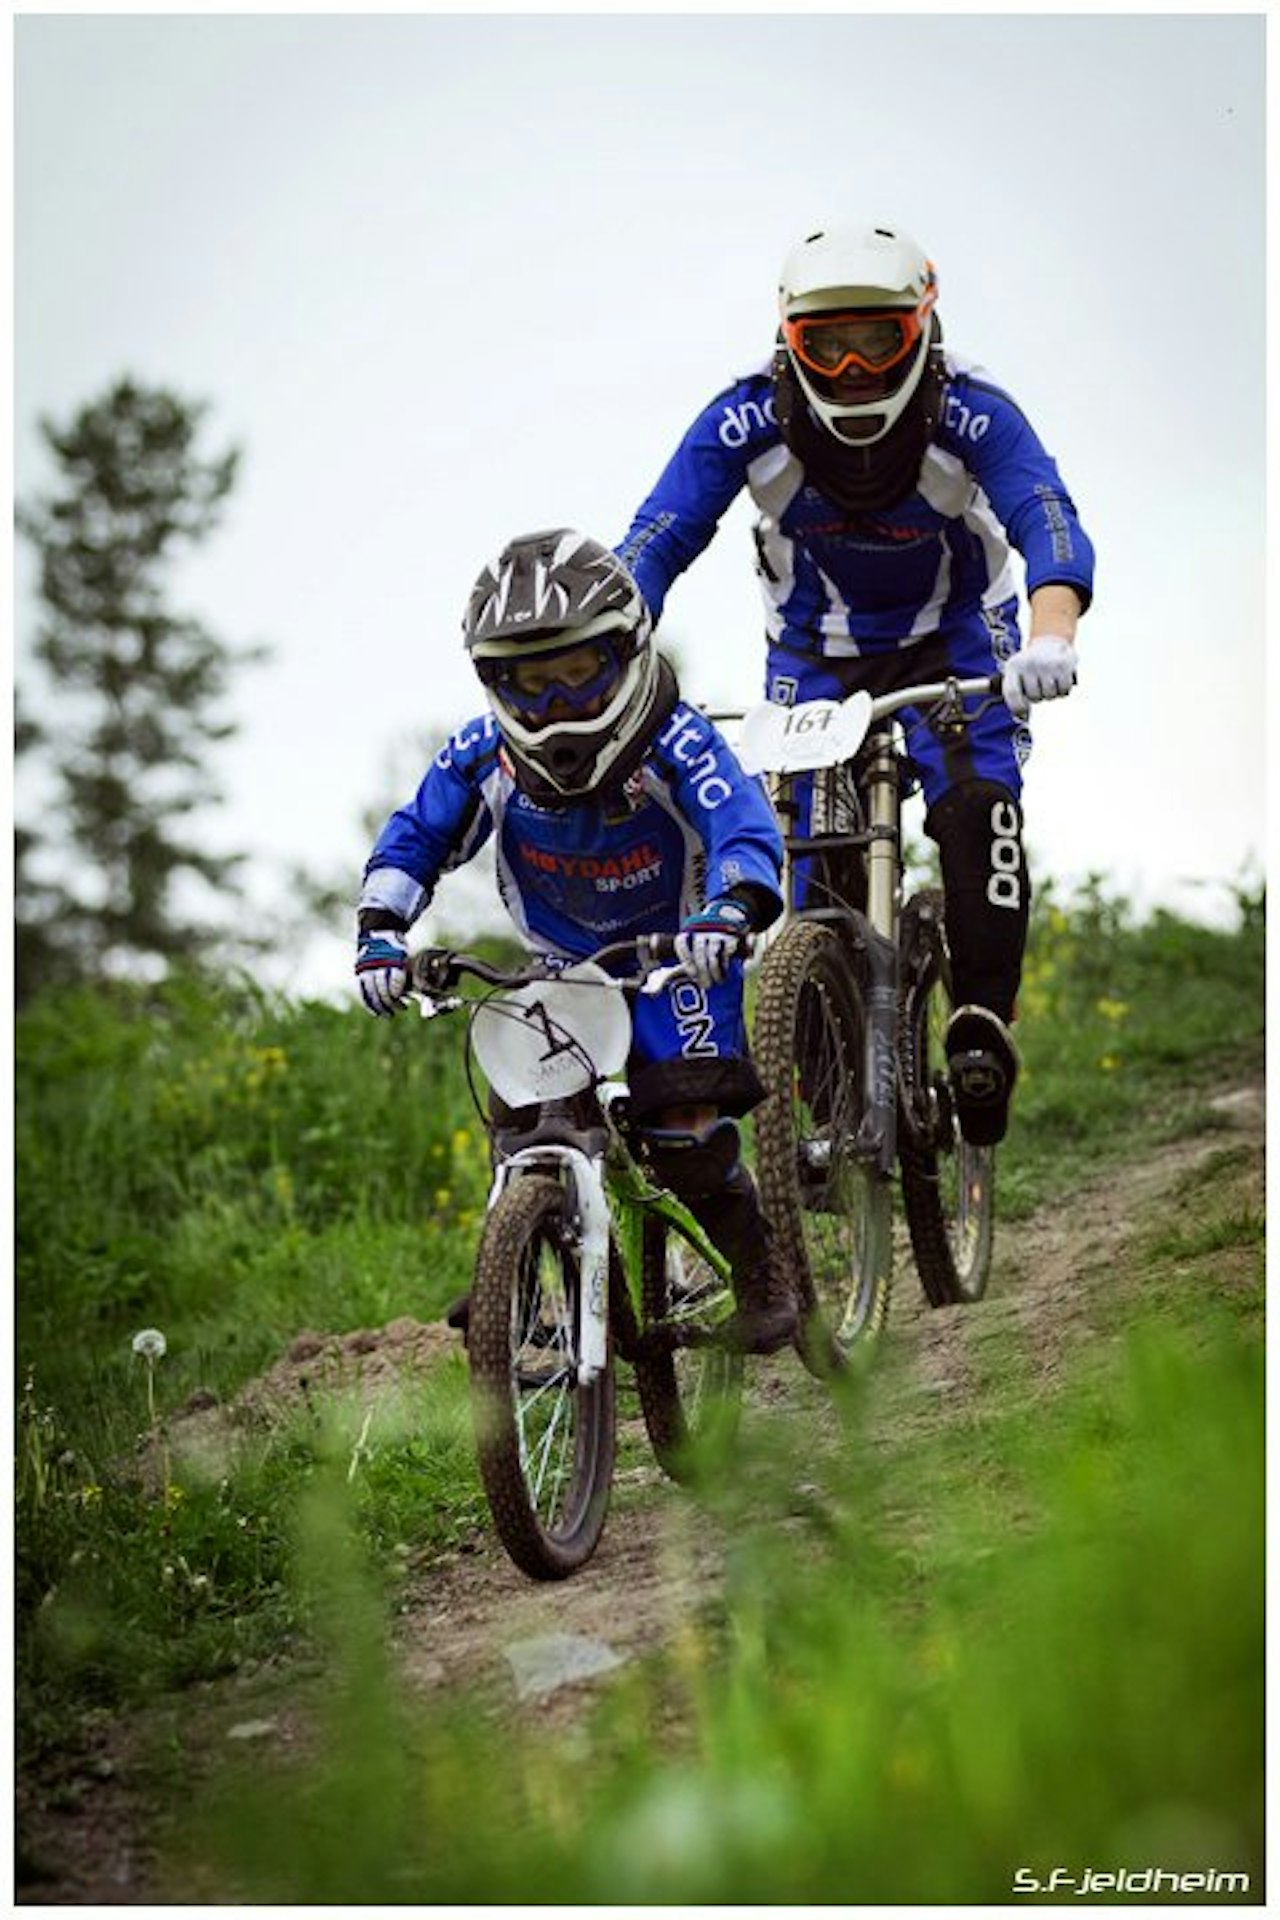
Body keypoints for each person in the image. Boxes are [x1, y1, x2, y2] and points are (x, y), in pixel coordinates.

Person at [617, 220, 1096, 1145]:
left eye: (876, 340)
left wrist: (1050, 633)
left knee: (976, 813)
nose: (851, 369)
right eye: (824, 345)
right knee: (806, 860)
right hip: (813, 657)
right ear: (788, 341)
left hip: (958, 644)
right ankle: (832, 1079)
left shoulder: (977, 413)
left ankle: (983, 1026)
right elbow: (658, 537)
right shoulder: (743, 418)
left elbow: (1045, 513)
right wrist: (611, 651)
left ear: (921, 328)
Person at [353, 527, 797, 1354]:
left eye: (576, 677)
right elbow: (415, 835)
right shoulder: (483, 752)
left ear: (625, 654)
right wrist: (381, 930)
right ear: (494, 682)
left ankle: (762, 1272)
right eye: (530, 685)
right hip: (562, 962)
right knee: (527, 1111)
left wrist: (733, 909)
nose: (554, 709)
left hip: (680, 952)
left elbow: (741, 823)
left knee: (684, 1127)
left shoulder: (678, 738)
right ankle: (513, 1273)